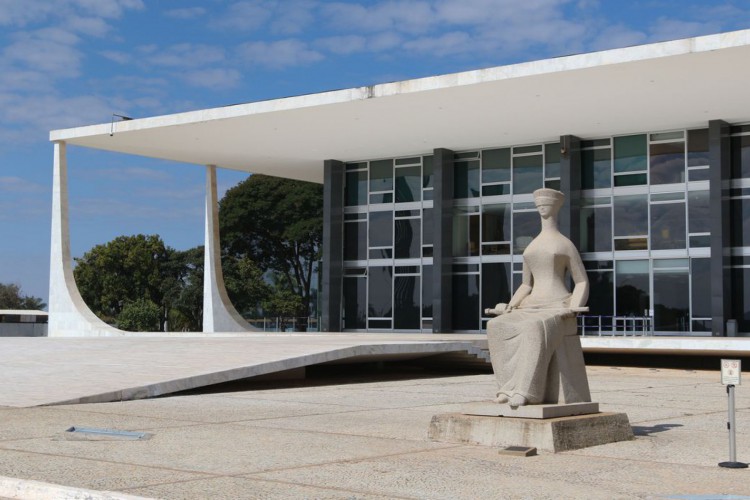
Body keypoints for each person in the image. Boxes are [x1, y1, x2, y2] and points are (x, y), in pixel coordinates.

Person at [486, 188, 590, 408]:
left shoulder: (565, 244)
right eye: (539, 204)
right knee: (496, 326)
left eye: (547, 204)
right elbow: (526, 284)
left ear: (556, 207)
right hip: (531, 305)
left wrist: (573, 307)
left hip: (557, 306)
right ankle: (507, 387)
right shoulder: (532, 246)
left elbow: (581, 281)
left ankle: (526, 391)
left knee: (534, 328)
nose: (542, 207)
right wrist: (511, 305)